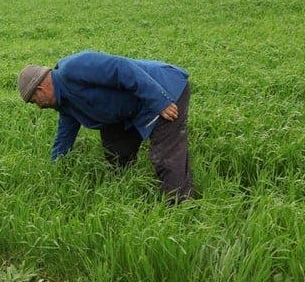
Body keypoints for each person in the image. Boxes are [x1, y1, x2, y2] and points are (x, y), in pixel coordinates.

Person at [17, 50, 196, 203]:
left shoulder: (73, 68)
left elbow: (121, 68)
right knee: (116, 152)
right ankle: (128, 188)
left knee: (165, 157)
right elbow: (64, 136)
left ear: (41, 89)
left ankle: (181, 206)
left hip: (162, 91)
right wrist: (54, 167)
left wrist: (159, 100)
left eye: (35, 101)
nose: (39, 106)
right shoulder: (65, 103)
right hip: (129, 110)